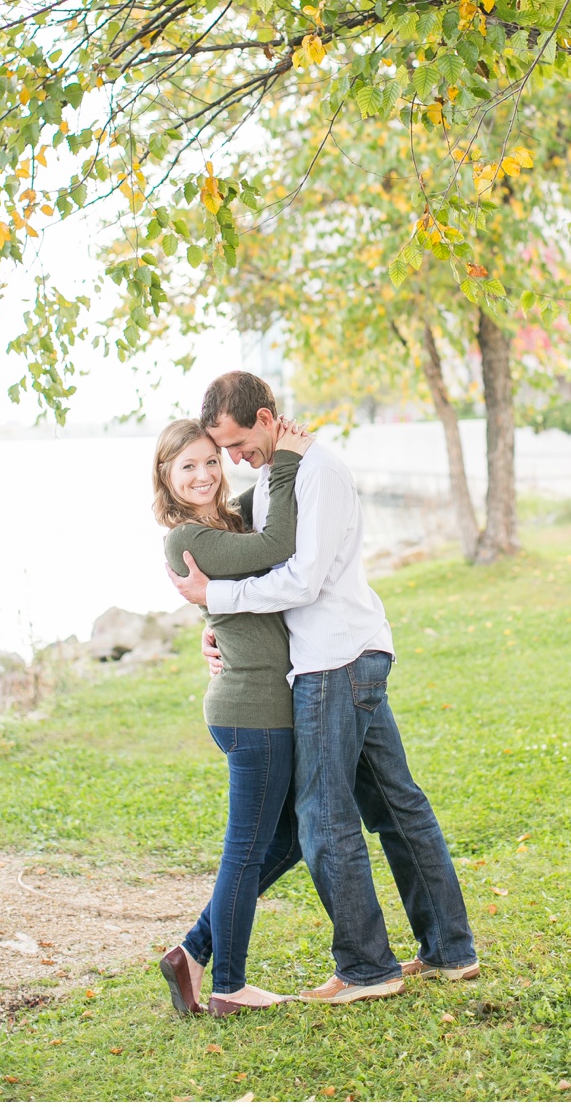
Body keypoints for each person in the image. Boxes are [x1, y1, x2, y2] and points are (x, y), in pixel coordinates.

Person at [167, 371, 478, 1005]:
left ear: (264, 417)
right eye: (216, 452)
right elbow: (259, 550)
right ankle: (449, 950)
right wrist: (215, 625)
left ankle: (367, 968)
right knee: (396, 806)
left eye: (232, 444)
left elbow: (301, 578)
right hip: (340, 653)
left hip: (333, 661)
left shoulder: (317, 471)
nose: (230, 461)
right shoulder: (279, 476)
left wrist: (214, 596)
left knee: (323, 816)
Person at [151, 416, 315, 1017]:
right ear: (166, 478)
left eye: (211, 461)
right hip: (252, 712)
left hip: (260, 704)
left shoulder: (226, 521)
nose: (203, 474)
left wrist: (275, 452)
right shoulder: (187, 538)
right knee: (246, 850)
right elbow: (278, 547)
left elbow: (264, 503)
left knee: (291, 838)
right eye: (187, 466)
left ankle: (193, 952)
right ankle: (230, 985)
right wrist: (290, 460)